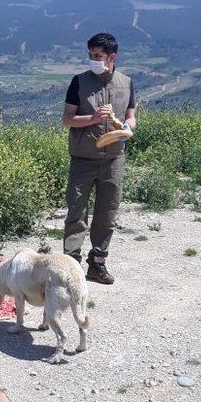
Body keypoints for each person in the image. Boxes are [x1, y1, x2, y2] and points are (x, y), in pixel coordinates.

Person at [62, 32, 136, 284]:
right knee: (76, 211)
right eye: (90, 55)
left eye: (98, 55)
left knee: (107, 212)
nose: (92, 59)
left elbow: (131, 114)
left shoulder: (126, 82)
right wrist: (93, 119)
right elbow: (67, 119)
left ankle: (97, 263)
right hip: (83, 157)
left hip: (114, 158)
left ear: (111, 57)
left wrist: (128, 126)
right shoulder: (79, 82)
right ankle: (71, 265)